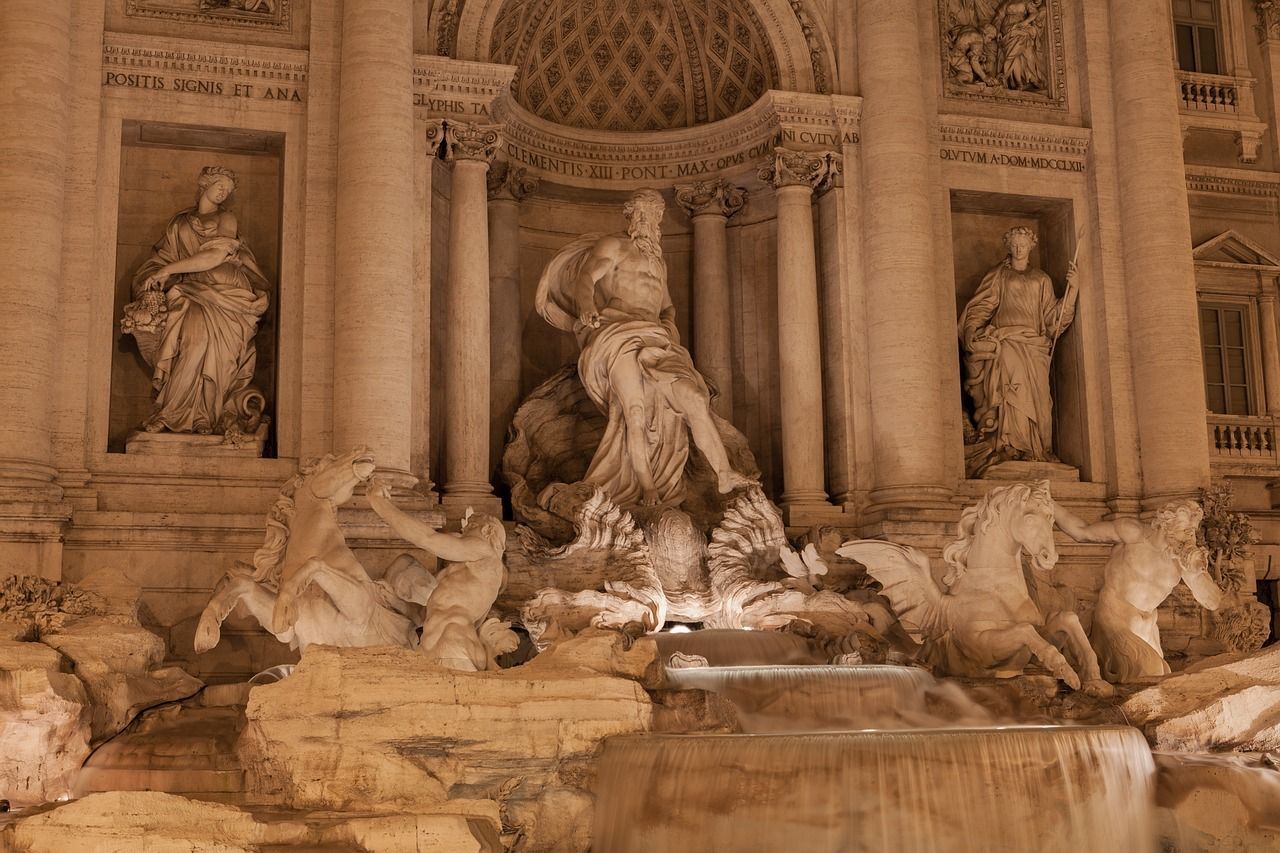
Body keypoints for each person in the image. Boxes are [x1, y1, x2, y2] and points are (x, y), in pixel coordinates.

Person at [534, 189, 754, 507]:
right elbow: (586, 277)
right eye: (644, 213)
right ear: (632, 215)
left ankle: (725, 474)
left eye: (655, 215)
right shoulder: (613, 245)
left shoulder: (658, 261)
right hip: (617, 335)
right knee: (633, 412)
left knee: (694, 399)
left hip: (657, 341)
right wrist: (585, 306)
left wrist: (668, 329)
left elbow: (666, 308)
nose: (649, 220)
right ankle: (647, 488)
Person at [123, 165, 269, 435]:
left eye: (228, 190)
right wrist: (155, 276)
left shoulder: (227, 219)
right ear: (204, 184)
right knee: (193, 343)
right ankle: (171, 412)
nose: (224, 192)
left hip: (227, 293)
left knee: (218, 355)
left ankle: (207, 416)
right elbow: (161, 260)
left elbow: (214, 256)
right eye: (220, 185)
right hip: (192, 291)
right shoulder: (179, 224)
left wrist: (168, 271)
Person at [1053, 500, 1223, 682]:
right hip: (1113, 621)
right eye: (1185, 531)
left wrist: (1198, 573)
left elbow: (1212, 602)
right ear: (1165, 526)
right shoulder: (1133, 533)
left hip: (1147, 628)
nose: (1189, 539)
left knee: (1164, 680)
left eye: (1192, 532)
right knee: (1151, 673)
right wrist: (1049, 505)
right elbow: (1081, 532)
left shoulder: (1180, 559)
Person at [959, 225, 1077, 475]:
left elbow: (1052, 320)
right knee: (1014, 392)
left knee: (1041, 401)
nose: (1018, 248)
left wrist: (1073, 290)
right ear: (1008, 246)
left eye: (1023, 244)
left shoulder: (1041, 279)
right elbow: (982, 306)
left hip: (1035, 347)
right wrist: (971, 329)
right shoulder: (999, 275)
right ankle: (1011, 446)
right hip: (1008, 342)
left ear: (1031, 246)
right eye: (1014, 244)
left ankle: (1038, 449)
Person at [367, 479, 513, 671]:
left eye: (469, 527)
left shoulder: (485, 552)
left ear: (487, 530)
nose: (462, 532)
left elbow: (428, 539)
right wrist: (396, 601)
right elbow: (425, 615)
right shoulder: (465, 577)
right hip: (431, 646)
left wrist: (380, 504)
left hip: (455, 642)